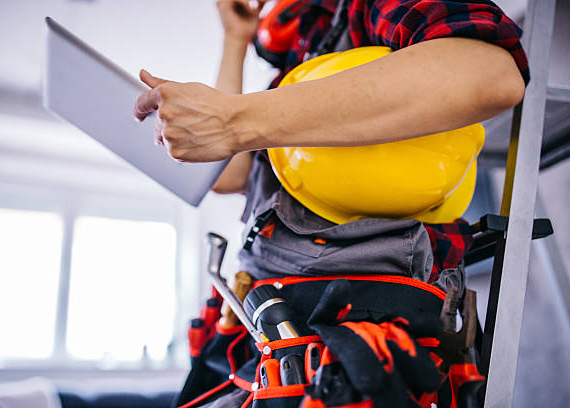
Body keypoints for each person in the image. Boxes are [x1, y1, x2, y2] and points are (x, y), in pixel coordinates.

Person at [134, 0, 528, 406]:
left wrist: (235, 119)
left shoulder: (371, 9)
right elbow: (231, 174)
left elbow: (492, 76)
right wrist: (236, 42)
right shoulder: (303, 52)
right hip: (269, 321)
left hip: (360, 327)